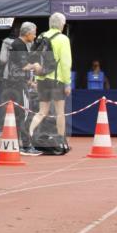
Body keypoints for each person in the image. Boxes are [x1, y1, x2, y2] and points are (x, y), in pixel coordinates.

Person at [28, 12, 72, 150]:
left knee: (42, 111)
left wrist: (35, 77)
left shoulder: (42, 36)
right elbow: (65, 63)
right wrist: (67, 82)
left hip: (41, 78)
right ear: (62, 25)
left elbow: (34, 59)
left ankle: (28, 135)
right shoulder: (63, 39)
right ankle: (60, 141)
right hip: (56, 79)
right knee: (60, 112)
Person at [2, 22, 42, 156]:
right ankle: (25, 145)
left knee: (20, 114)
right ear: (28, 33)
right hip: (18, 84)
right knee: (25, 113)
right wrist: (35, 66)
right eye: (34, 33)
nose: (35, 36)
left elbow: (17, 66)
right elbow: (23, 66)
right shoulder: (19, 45)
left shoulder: (19, 44)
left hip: (16, 82)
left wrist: (29, 81)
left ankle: (21, 144)